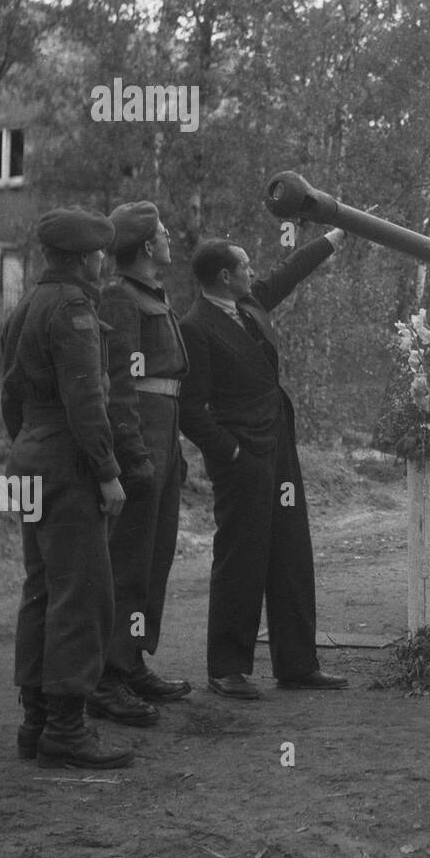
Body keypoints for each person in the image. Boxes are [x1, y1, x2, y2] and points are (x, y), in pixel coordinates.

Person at [178, 228, 349, 699]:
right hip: (242, 457)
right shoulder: (194, 327)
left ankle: (297, 664)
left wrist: (332, 238)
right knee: (241, 557)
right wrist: (229, 453)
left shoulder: (250, 303)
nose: (254, 272)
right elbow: (190, 409)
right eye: (245, 266)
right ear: (225, 276)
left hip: (278, 443)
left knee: (291, 552)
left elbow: (286, 274)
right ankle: (226, 668)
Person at [2, 208, 133, 769]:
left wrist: (30, 445)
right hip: (67, 462)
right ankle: (66, 730)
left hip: (32, 454)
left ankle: (36, 722)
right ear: (83, 258)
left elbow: (10, 397)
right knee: (81, 594)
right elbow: (86, 400)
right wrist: (106, 472)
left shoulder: (26, 306)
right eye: (99, 254)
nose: (103, 262)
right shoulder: (73, 309)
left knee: (43, 591)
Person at [91, 202, 192, 727]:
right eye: (162, 231)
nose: (170, 235)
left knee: (154, 562)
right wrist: (134, 456)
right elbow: (119, 387)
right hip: (141, 446)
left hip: (163, 439)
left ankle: (131, 661)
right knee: (128, 564)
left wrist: (173, 453)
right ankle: (105, 677)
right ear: (148, 246)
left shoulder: (153, 295)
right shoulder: (120, 299)